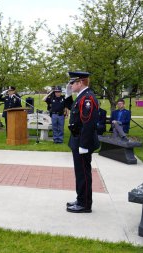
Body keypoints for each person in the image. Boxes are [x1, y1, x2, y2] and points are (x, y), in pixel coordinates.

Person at [64, 71, 99, 213]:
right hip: (78, 140)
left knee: (83, 174)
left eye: (73, 83)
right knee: (80, 173)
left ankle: (84, 204)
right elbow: (74, 108)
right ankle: (81, 199)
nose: (70, 85)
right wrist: (67, 95)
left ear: (81, 82)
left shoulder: (88, 98)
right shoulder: (82, 97)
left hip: (82, 142)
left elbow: (88, 124)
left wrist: (83, 145)